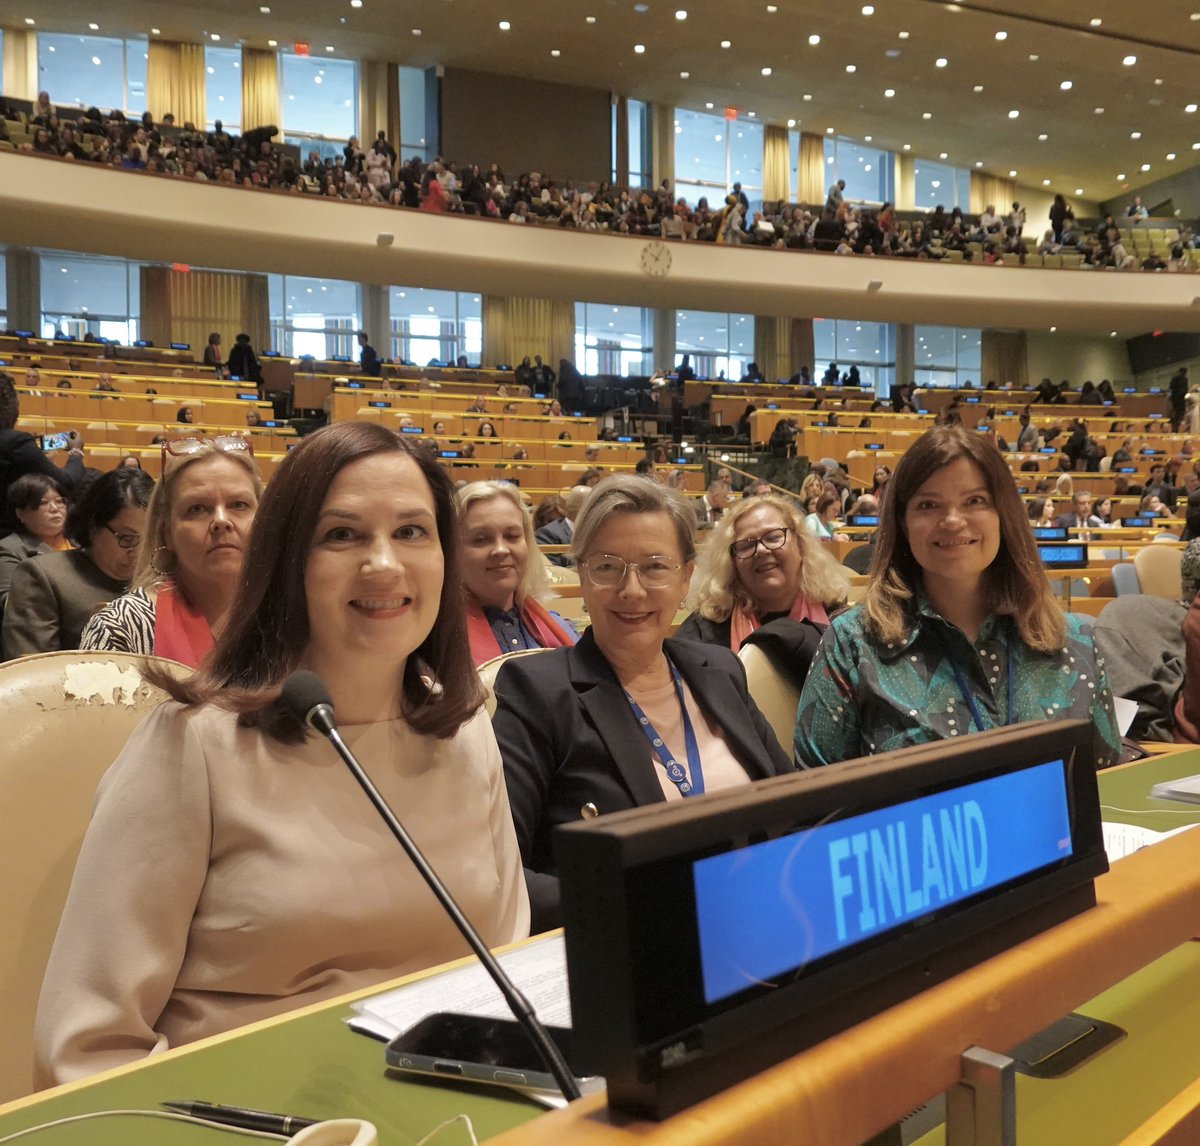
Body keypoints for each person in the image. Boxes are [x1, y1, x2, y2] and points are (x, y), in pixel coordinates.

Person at [34, 422, 529, 1085]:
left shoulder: (465, 730)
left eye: (411, 531)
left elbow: (507, 968)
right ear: (287, 560)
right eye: (342, 535)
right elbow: (87, 1047)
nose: (383, 563)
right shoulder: (190, 747)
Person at [492, 475, 793, 931]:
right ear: (583, 574)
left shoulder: (720, 669)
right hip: (641, 944)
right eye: (608, 567)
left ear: (686, 577)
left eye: (655, 567)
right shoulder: (537, 690)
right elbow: (503, 876)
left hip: (768, 921)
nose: (631, 590)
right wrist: (646, 906)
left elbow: (796, 806)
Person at [794, 425, 1122, 770]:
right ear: (904, 524)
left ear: (1004, 516)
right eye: (928, 505)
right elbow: (815, 807)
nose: (952, 520)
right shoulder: (852, 644)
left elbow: (1107, 789)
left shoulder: (1077, 642)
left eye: (974, 501)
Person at [80, 436, 262, 666]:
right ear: (167, 532)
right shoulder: (121, 628)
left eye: (238, 504)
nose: (221, 520)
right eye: (197, 508)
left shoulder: (294, 613)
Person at [676, 495, 849, 688]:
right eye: (746, 545)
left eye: (774, 537)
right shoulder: (706, 630)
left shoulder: (839, 621)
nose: (761, 550)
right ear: (731, 562)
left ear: (800, 545)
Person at [2, 467, 154, 660]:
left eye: (149, 539)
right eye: (127, 538)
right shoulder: (43, 576)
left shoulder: (159, 577)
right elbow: (31, 672)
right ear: (93, 525)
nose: (138, 552)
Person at [457, 481, 578, 666]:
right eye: (481, 539)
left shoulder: (559, 628)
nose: (500, 549)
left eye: (512, 536)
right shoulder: (439, 643)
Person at [0, 371, 87, 534]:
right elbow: (65, 484)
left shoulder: (17, 445)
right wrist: (76, 452)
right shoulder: (16, 443)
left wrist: (32, 447)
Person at [0, 474, 71, 612]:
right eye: (43, 503)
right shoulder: (9, 548)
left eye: (59, 501)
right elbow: (10, 602)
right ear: (20, 513)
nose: (55, 508)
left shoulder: (82, 542)